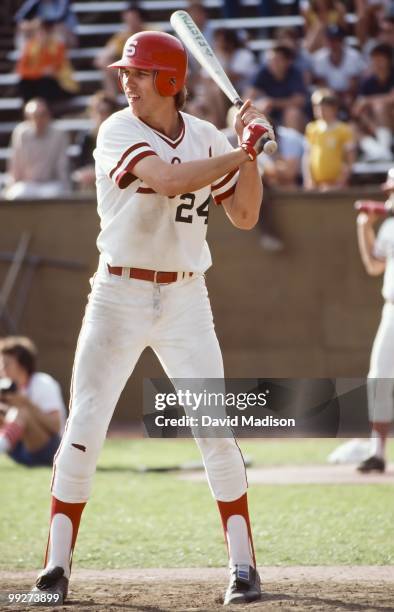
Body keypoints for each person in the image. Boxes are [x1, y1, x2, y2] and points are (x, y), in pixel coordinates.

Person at [31, 30, 274, 605]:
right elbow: (165, 180)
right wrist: (241, 151)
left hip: (187, 298)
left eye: (139, 73)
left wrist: (251, 151)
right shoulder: (118, 129)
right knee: (85, 426)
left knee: (215, 429)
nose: (126, 81)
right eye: (126, 72)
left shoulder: (209, 137)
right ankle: (54, 569)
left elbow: (243, 214)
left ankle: (244, 568)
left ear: (170, 81)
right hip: (117, 294)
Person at [356, 167, 394, 473]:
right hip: (391, 308)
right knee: (379, 376)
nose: (390, 196)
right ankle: (377, 451)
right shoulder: (389, 228)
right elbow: (373, 266)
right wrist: (364, 228)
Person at [0, 337, 66, 467]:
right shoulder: (4, 387)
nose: (2, 368)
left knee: (23, 412)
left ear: (22, 364)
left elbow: (56, 427)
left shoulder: (43, 383)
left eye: (6, 364)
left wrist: (27, 404)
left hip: (53, 450)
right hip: (21, 452)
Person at [3, 98, 70, 200]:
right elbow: (15, 164)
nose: (39, 119)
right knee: (16, 194)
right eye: (35, 116)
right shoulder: (21, 133)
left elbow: (62, 165)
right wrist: (10, 187)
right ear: (28, 117)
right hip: (27, 186)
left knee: (57, 194)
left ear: (48, 115)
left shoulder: (59, 134)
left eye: (42, 115)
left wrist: (67, 189)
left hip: (51, 185)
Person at [246, 45, 308, 133]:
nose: (273, 63)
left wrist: (272, 103)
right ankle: (262, 144)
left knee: (292, 113)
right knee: (259, 111)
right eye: (270, 60)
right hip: (270, 113)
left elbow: (300, 100)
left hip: (293, 115)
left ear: (288, 61)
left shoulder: (295, 73)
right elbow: (248, 97)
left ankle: (293, 145)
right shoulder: (263, 72)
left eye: (277, 60)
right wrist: (259, 105)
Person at [16, 19, 78, 105]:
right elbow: (22, 70)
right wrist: (40, 72)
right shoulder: (30, 46)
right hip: (38, 81)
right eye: (38, 32)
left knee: (45, 82)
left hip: (60, 85)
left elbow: (53, 70)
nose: (40, 35)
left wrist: (37, 72)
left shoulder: (58, 47)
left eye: (43, 32)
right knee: (24, 83)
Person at [303, 89, 355, 191]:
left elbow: (350, 159)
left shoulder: (344, 130)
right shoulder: (311, 128)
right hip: (316, 185)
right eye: (317, 105)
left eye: (325, 105)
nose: (320, 109)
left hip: (338, 185)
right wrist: (308, 179)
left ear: (334, 108)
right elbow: (307, 155)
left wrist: (342, 181)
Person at [94, 2, 145, 98]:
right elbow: (101, 60)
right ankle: (112, 104)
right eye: (128, 19)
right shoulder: (123, 37)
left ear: (140, 18)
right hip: (131, 75)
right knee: (106, 69)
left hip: (150, 73)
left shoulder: (152, 33)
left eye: (133, 19)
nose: (131, 22)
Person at [353, 43, 394, 162]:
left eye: (381, 60)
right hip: (374, 125)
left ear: (389, 61)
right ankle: (380, 151)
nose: (377, 63)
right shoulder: (367, 81)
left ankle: (383, 149)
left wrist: (368, 101)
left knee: (380, 107)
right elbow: (357, 108)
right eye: (374, 60)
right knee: (353, 127)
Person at [311, 25, 365, 113]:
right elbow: (321, 84)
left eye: (337, 40)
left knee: (350, 100)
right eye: (330, 40)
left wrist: (343, 98)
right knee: (320, 97)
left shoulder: (353, 56)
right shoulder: (319, 58)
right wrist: (333, 98)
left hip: (349, 96)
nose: (333, 44)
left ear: (343, 41)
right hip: (328, 96)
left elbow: (353, 85)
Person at [72, 92, 118, 191]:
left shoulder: (119, 136)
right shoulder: (86, 136)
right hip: (92, 180)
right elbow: (80, 166)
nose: (100, 116)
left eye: (104, 111)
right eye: (97, 111)